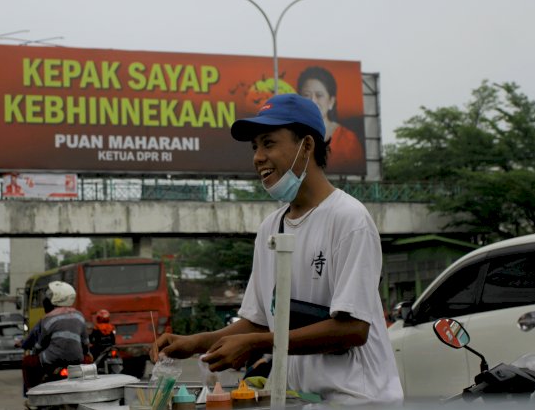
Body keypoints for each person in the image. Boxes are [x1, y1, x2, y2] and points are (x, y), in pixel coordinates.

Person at [152, 94, 403, 405]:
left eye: (268, 143)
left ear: (307, 146)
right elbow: (259, 321)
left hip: (359, 400)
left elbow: (353, 328)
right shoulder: (271, 228)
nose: (258, 157)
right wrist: (195, 343)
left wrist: (257, 343)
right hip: (302, 399)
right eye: (254, 147)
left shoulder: (349, 219)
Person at [21, 281, 90, 393]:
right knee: (90, 364)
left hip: (51, 360)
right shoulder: (79, 316)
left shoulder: (47, 318)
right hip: (77, 359)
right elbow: (86, 342)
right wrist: (86, 353)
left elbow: (39, 344)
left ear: (55, 299)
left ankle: (31, 394)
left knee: (27, 362)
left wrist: (34, 351)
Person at [297, 66, 365, 173]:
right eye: (306, 95)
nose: (313, 101)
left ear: (331, 102)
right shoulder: (289, 136)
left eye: (319, 95)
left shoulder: (348, 140)